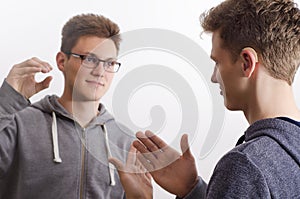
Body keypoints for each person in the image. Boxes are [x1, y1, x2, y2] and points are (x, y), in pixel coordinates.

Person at [110, 0, 300, 198]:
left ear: (246, 63)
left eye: (217, 62)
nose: (213, 77)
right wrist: (192, 189)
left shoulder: (245, 166)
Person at [0, 13, 137, 199]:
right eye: (89, 59)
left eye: (109, 63)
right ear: (62, 61)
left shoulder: (125, 141)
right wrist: (6, 101)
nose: (100, 72)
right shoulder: (17, 124)